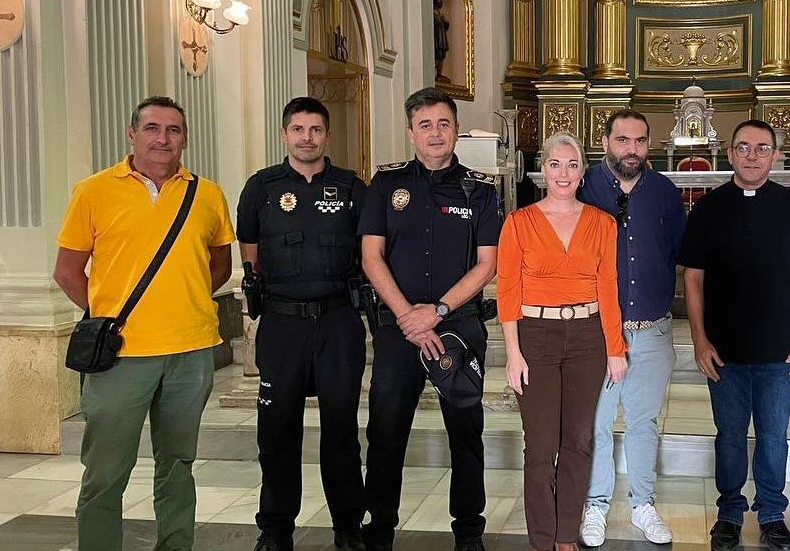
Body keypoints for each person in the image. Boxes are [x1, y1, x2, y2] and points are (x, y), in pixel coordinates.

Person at [53, 96, 235, 551]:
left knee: (177, 464)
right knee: (105, 471)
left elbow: (218, 264)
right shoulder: (93, 191)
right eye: (152, 128)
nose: (162, 139)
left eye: (173, 130)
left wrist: (183, 300)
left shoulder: (207, 193)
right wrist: (106, 319)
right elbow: (67, 271)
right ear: (132, 134)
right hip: (122, 357)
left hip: (190, 352)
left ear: (185, 139)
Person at [359, 87, 501, 551]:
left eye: (443, 124)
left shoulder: (480, 189)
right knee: (385, 432)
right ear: (410, 133)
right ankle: (379, 528)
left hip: (458, 326)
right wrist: (408, 318)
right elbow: (371, 256)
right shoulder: (385, 184)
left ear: (456, 130)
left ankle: (468, 531)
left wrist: (435, 312)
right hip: (399, 331)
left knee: (466, 434)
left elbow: (487, 263)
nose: (435, 133)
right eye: (425, 125)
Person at [678, 119, 790, 551]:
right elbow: (692, 278)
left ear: (775, 154)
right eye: (743, 148)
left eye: (762, 149)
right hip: (723, 350)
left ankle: (772, 514)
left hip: (781, 351)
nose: (752, 156)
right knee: (728, 436)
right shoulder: (707, 208)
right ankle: (728, 512)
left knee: (773, 436)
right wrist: (699, 340)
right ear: (729, 154)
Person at [236, 97, 369, 551]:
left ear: (326, 135)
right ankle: (275, 530)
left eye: (315, 129)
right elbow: (249, 253)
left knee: (341, 432)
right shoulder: (262, 188)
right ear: (284, 134)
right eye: (298, 129)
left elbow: (370, 254)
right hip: (282, 325)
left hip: (339, 325)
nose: (306, 137)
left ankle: (348, 527)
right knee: (276, 433)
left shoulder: (352, 188)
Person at [498, 132, 629, 551]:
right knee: (540, 444)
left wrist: (615, 348)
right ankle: (541, 538)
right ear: (542, 170)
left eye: (572, 165)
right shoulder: (518, 223)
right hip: (535, 336)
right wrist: (513, 353)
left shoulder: (602, 223)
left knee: (578, 439)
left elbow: (608, 287)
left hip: (588, 337)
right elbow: (508, 292)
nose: (563, 173)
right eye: (555, 164)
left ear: (582, 172)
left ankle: (566, 535)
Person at [578, 110, 684, 547]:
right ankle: (596, 506)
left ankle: (643, 504)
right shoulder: (583, 188)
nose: (632, 149)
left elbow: (676, 252)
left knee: (643, 423)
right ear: (605, 142)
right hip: (599, 329)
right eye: (623, 140)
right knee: (598, 423)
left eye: (640, 141)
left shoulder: (664, 192)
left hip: (653, 330)